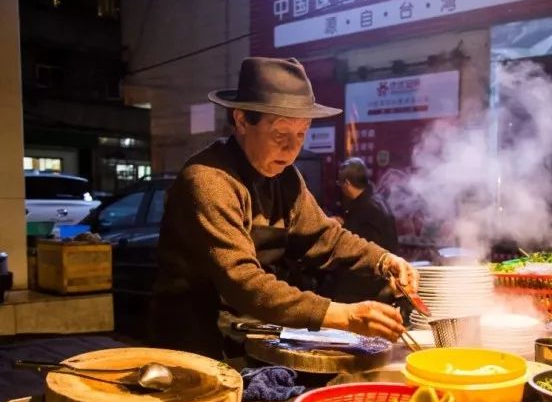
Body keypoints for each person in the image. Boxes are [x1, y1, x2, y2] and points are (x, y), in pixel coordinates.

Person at [151, 57, 417, 358]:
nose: (292, 149)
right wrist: (345, 316)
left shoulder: (285, 178)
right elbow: (243, 281)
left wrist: (383, 260)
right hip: (195, 344)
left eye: (301, 133)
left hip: (248, 334)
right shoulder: (208, 180)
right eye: (280, 133)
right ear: (241, 120)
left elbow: (325, 238)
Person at [322, 157, 399, 303]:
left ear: (347, 183)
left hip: (365, 288)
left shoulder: (363, 209)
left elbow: (354, 246)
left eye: (339, 182)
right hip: (382, 279)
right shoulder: (378, 200)